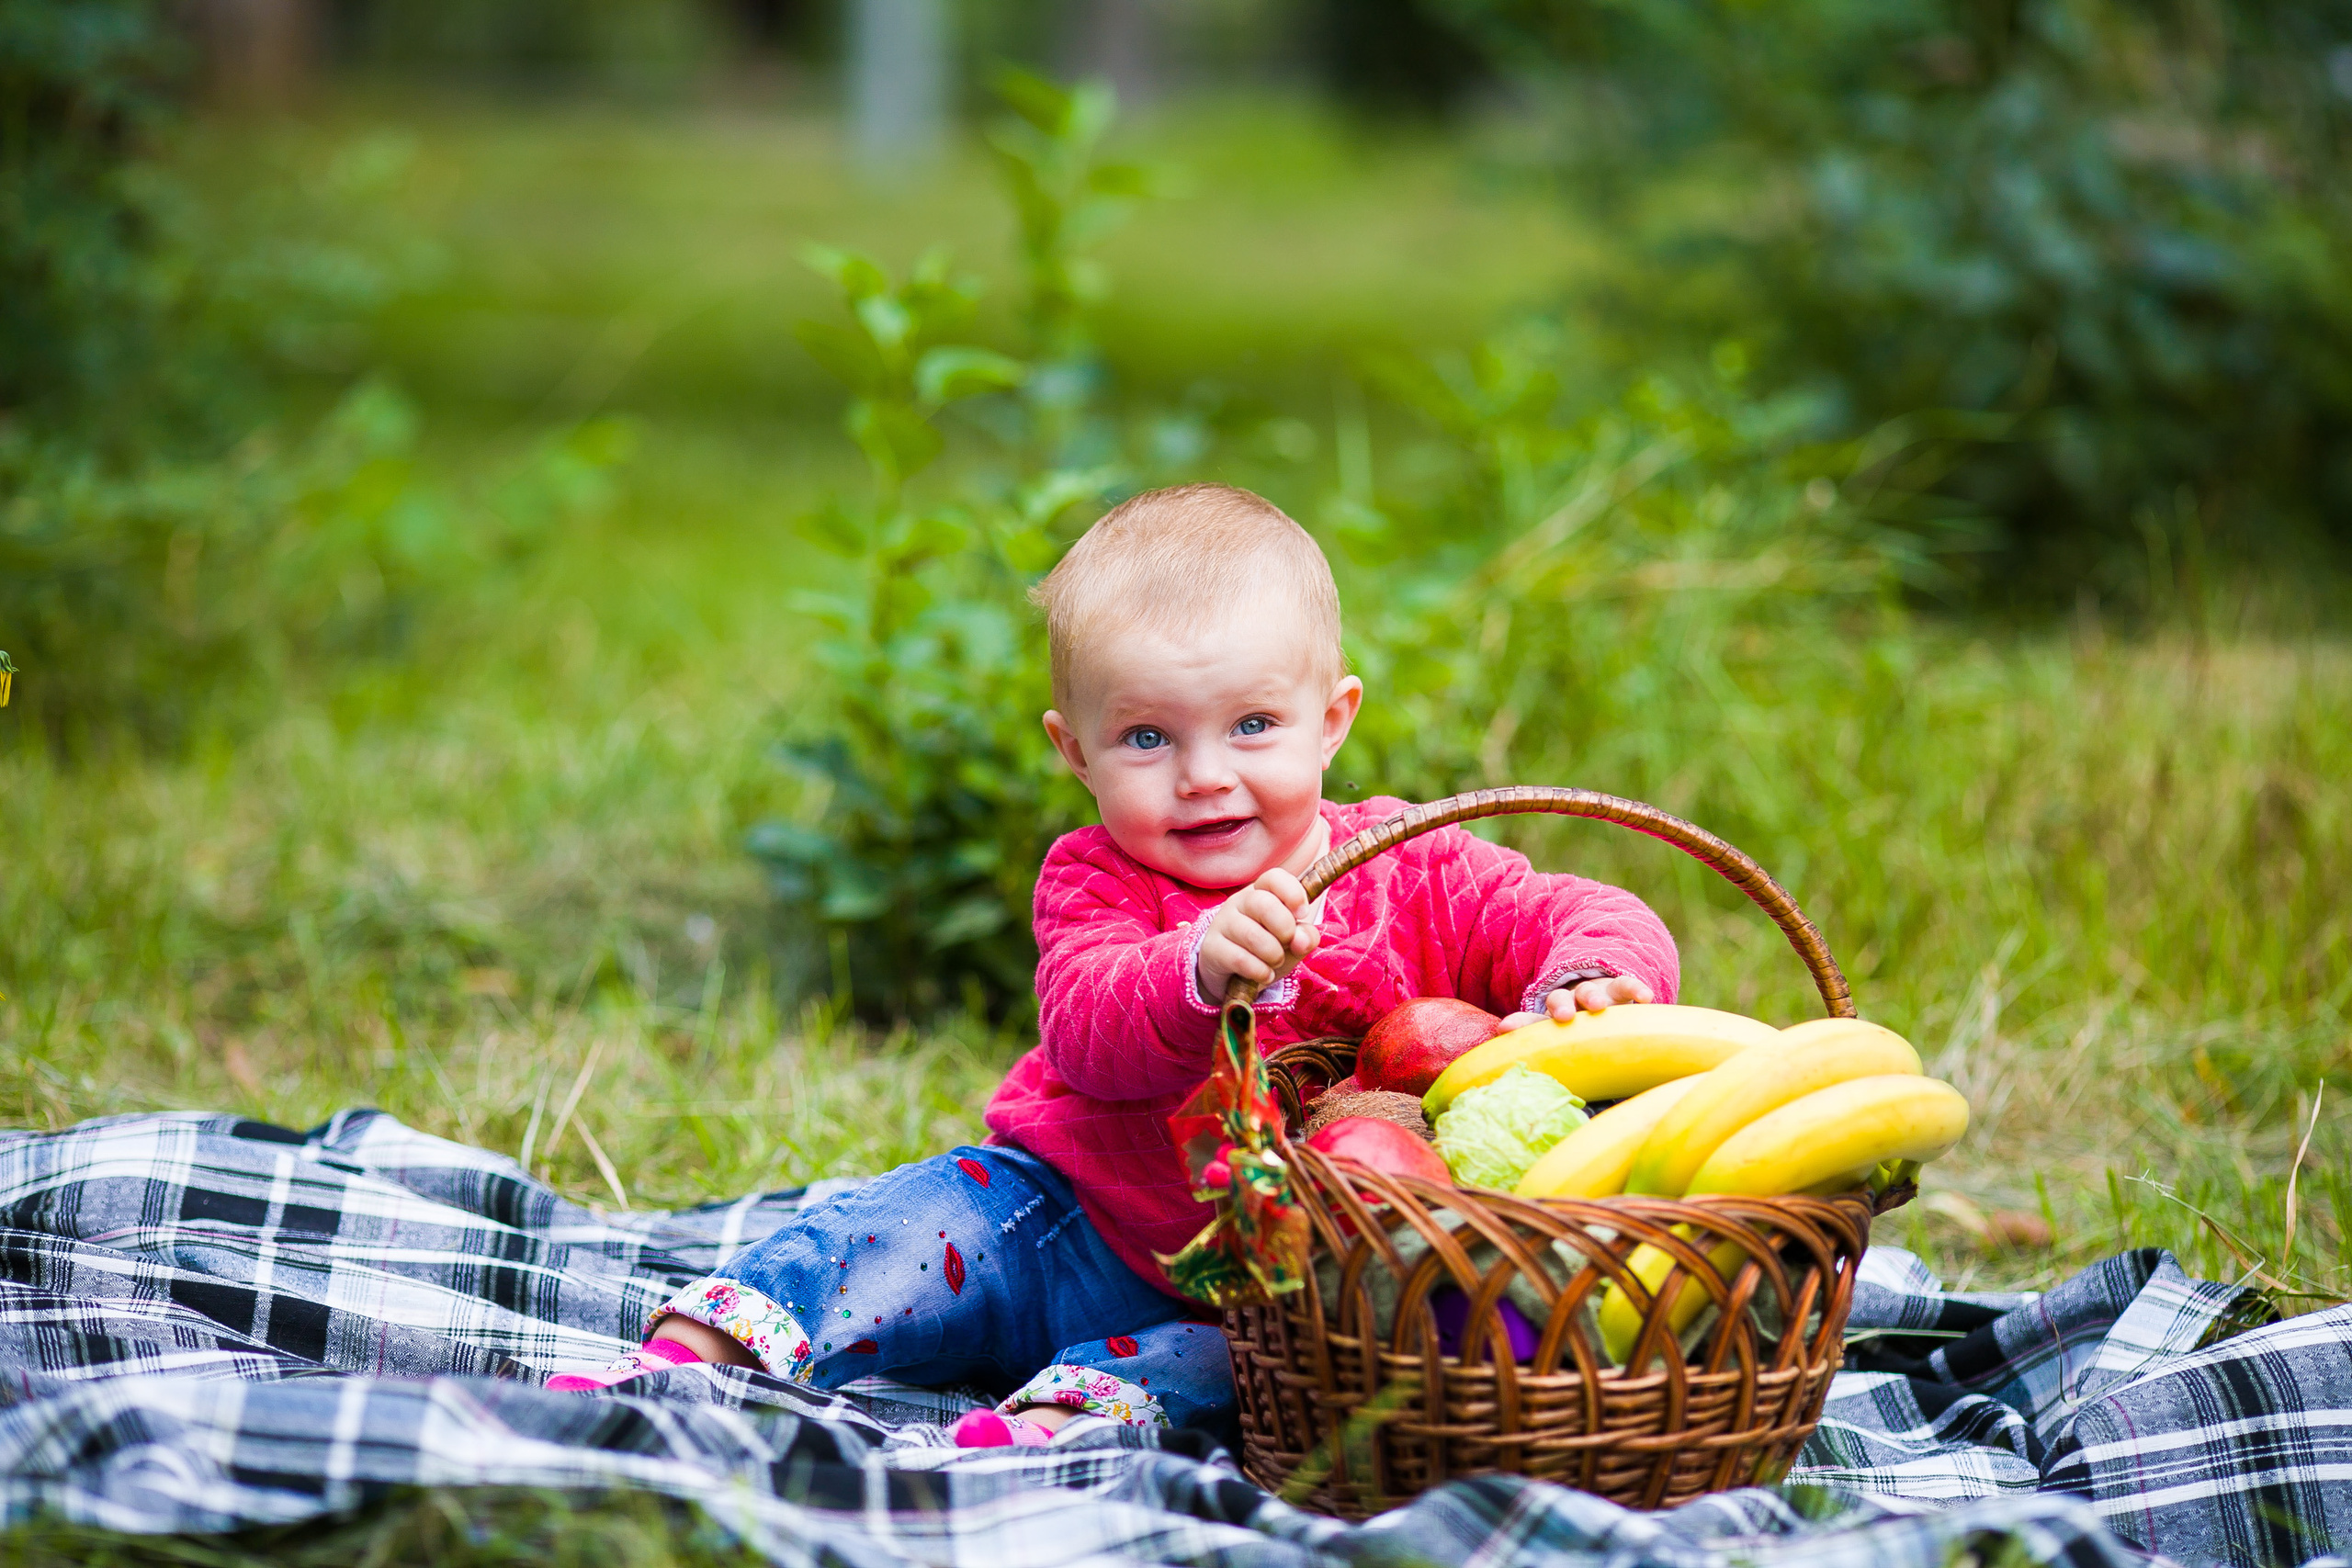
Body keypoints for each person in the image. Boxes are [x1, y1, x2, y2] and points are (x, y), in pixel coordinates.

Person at [549, 483, 1678, 1445]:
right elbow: (1088, 1030)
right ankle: (697, 1354)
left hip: (1264, 1294)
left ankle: (1043, 1431)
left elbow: (1579, 908)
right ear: (1073, 750)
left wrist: (1586, 983)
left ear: (1330, 721)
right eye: (1146, 738)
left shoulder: (1414, 867)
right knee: (908, 1224)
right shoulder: (1094, 878)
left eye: (1252, 727)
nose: (1202, 777)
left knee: (1233, 1373)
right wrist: (1192, 967)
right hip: (1063, 1221)